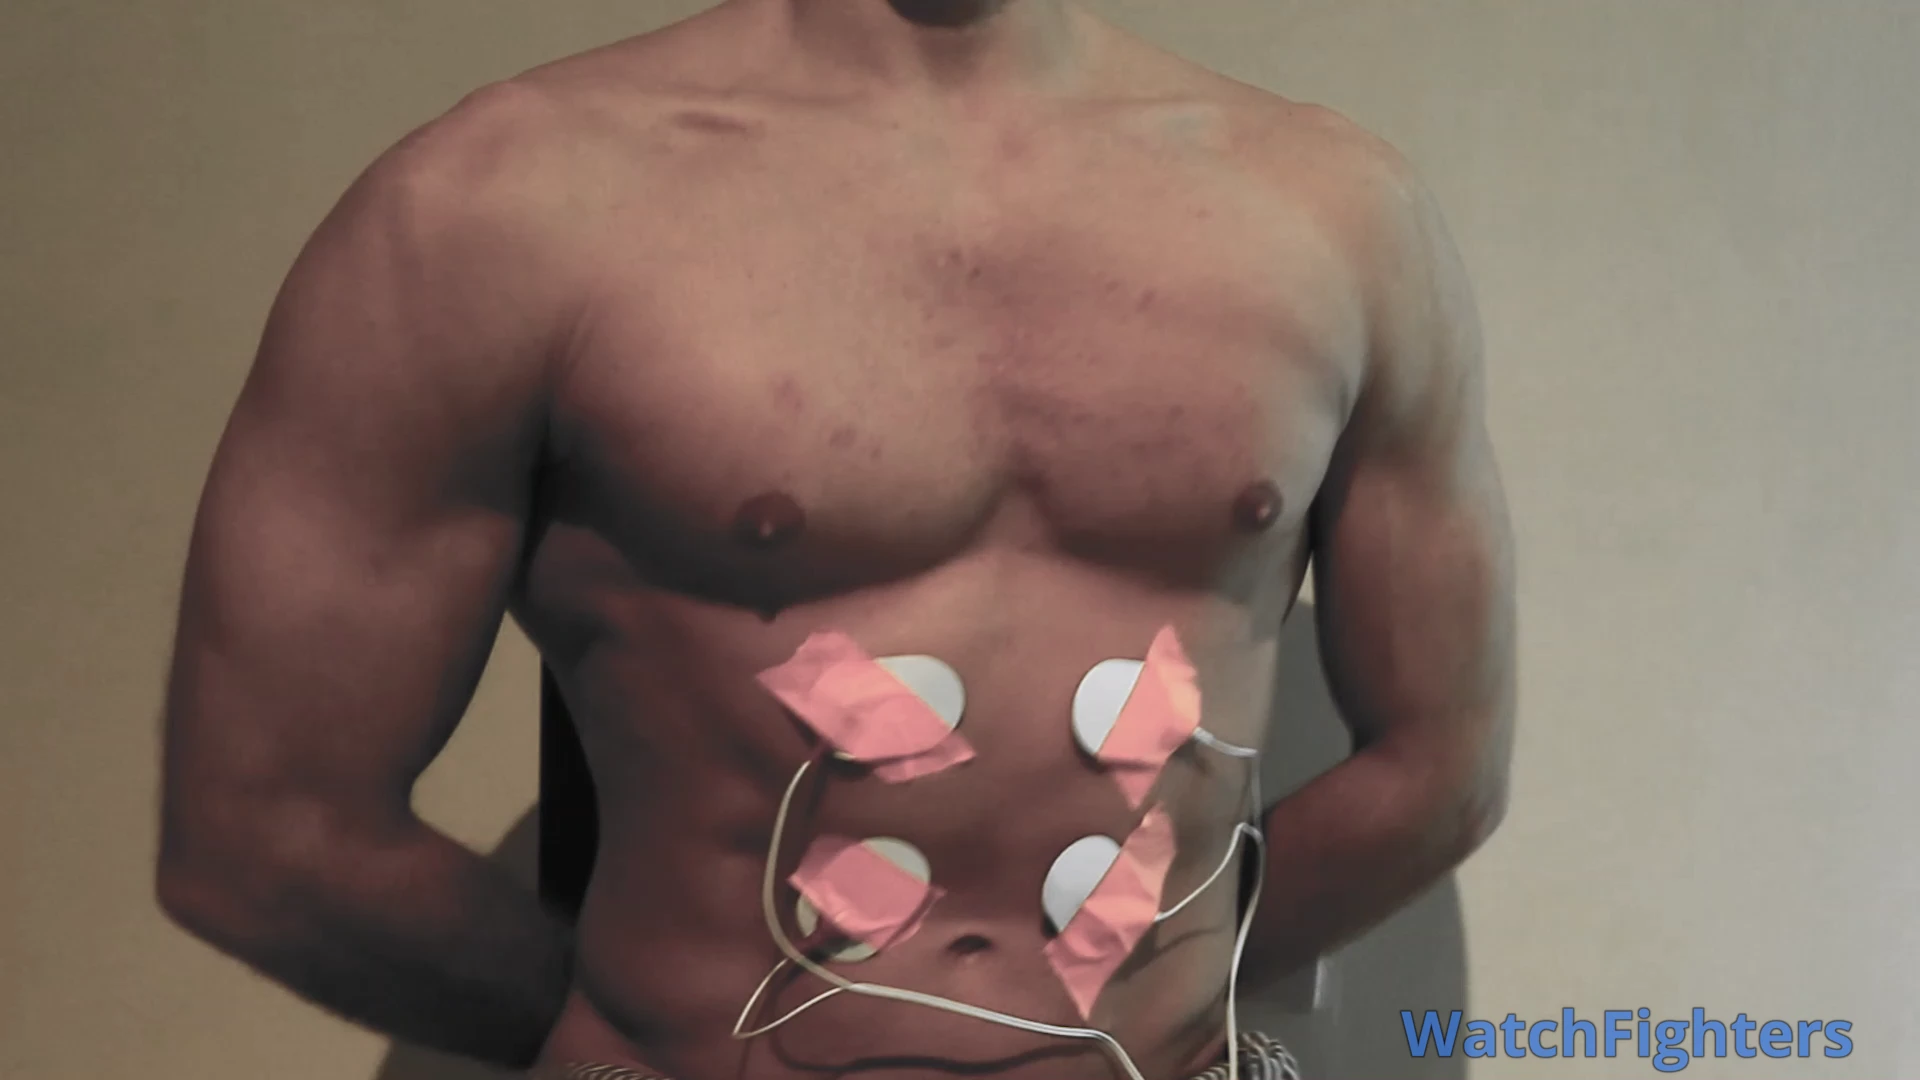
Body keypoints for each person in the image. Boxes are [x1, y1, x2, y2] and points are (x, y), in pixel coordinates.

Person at [155, 0, 1516, 1077]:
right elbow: (265, 833)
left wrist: (1161, 986)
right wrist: (616, 1040)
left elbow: (1441, 768)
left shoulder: (1333, 213)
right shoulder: (502, 207)